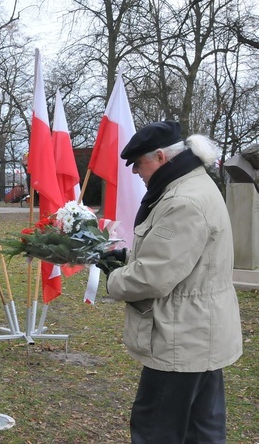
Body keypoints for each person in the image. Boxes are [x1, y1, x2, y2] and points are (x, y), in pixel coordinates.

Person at [100, 121, 243, 443]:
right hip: (201, 332)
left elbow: (153, 277)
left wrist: (112, 278)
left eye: (139, 164)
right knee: (201, 427)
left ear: (161, 157)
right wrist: (123, 257)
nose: (136, 172)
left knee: (155, 427)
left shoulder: (183, 201)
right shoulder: (195, 186)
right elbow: (175, 257)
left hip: (182, 338)